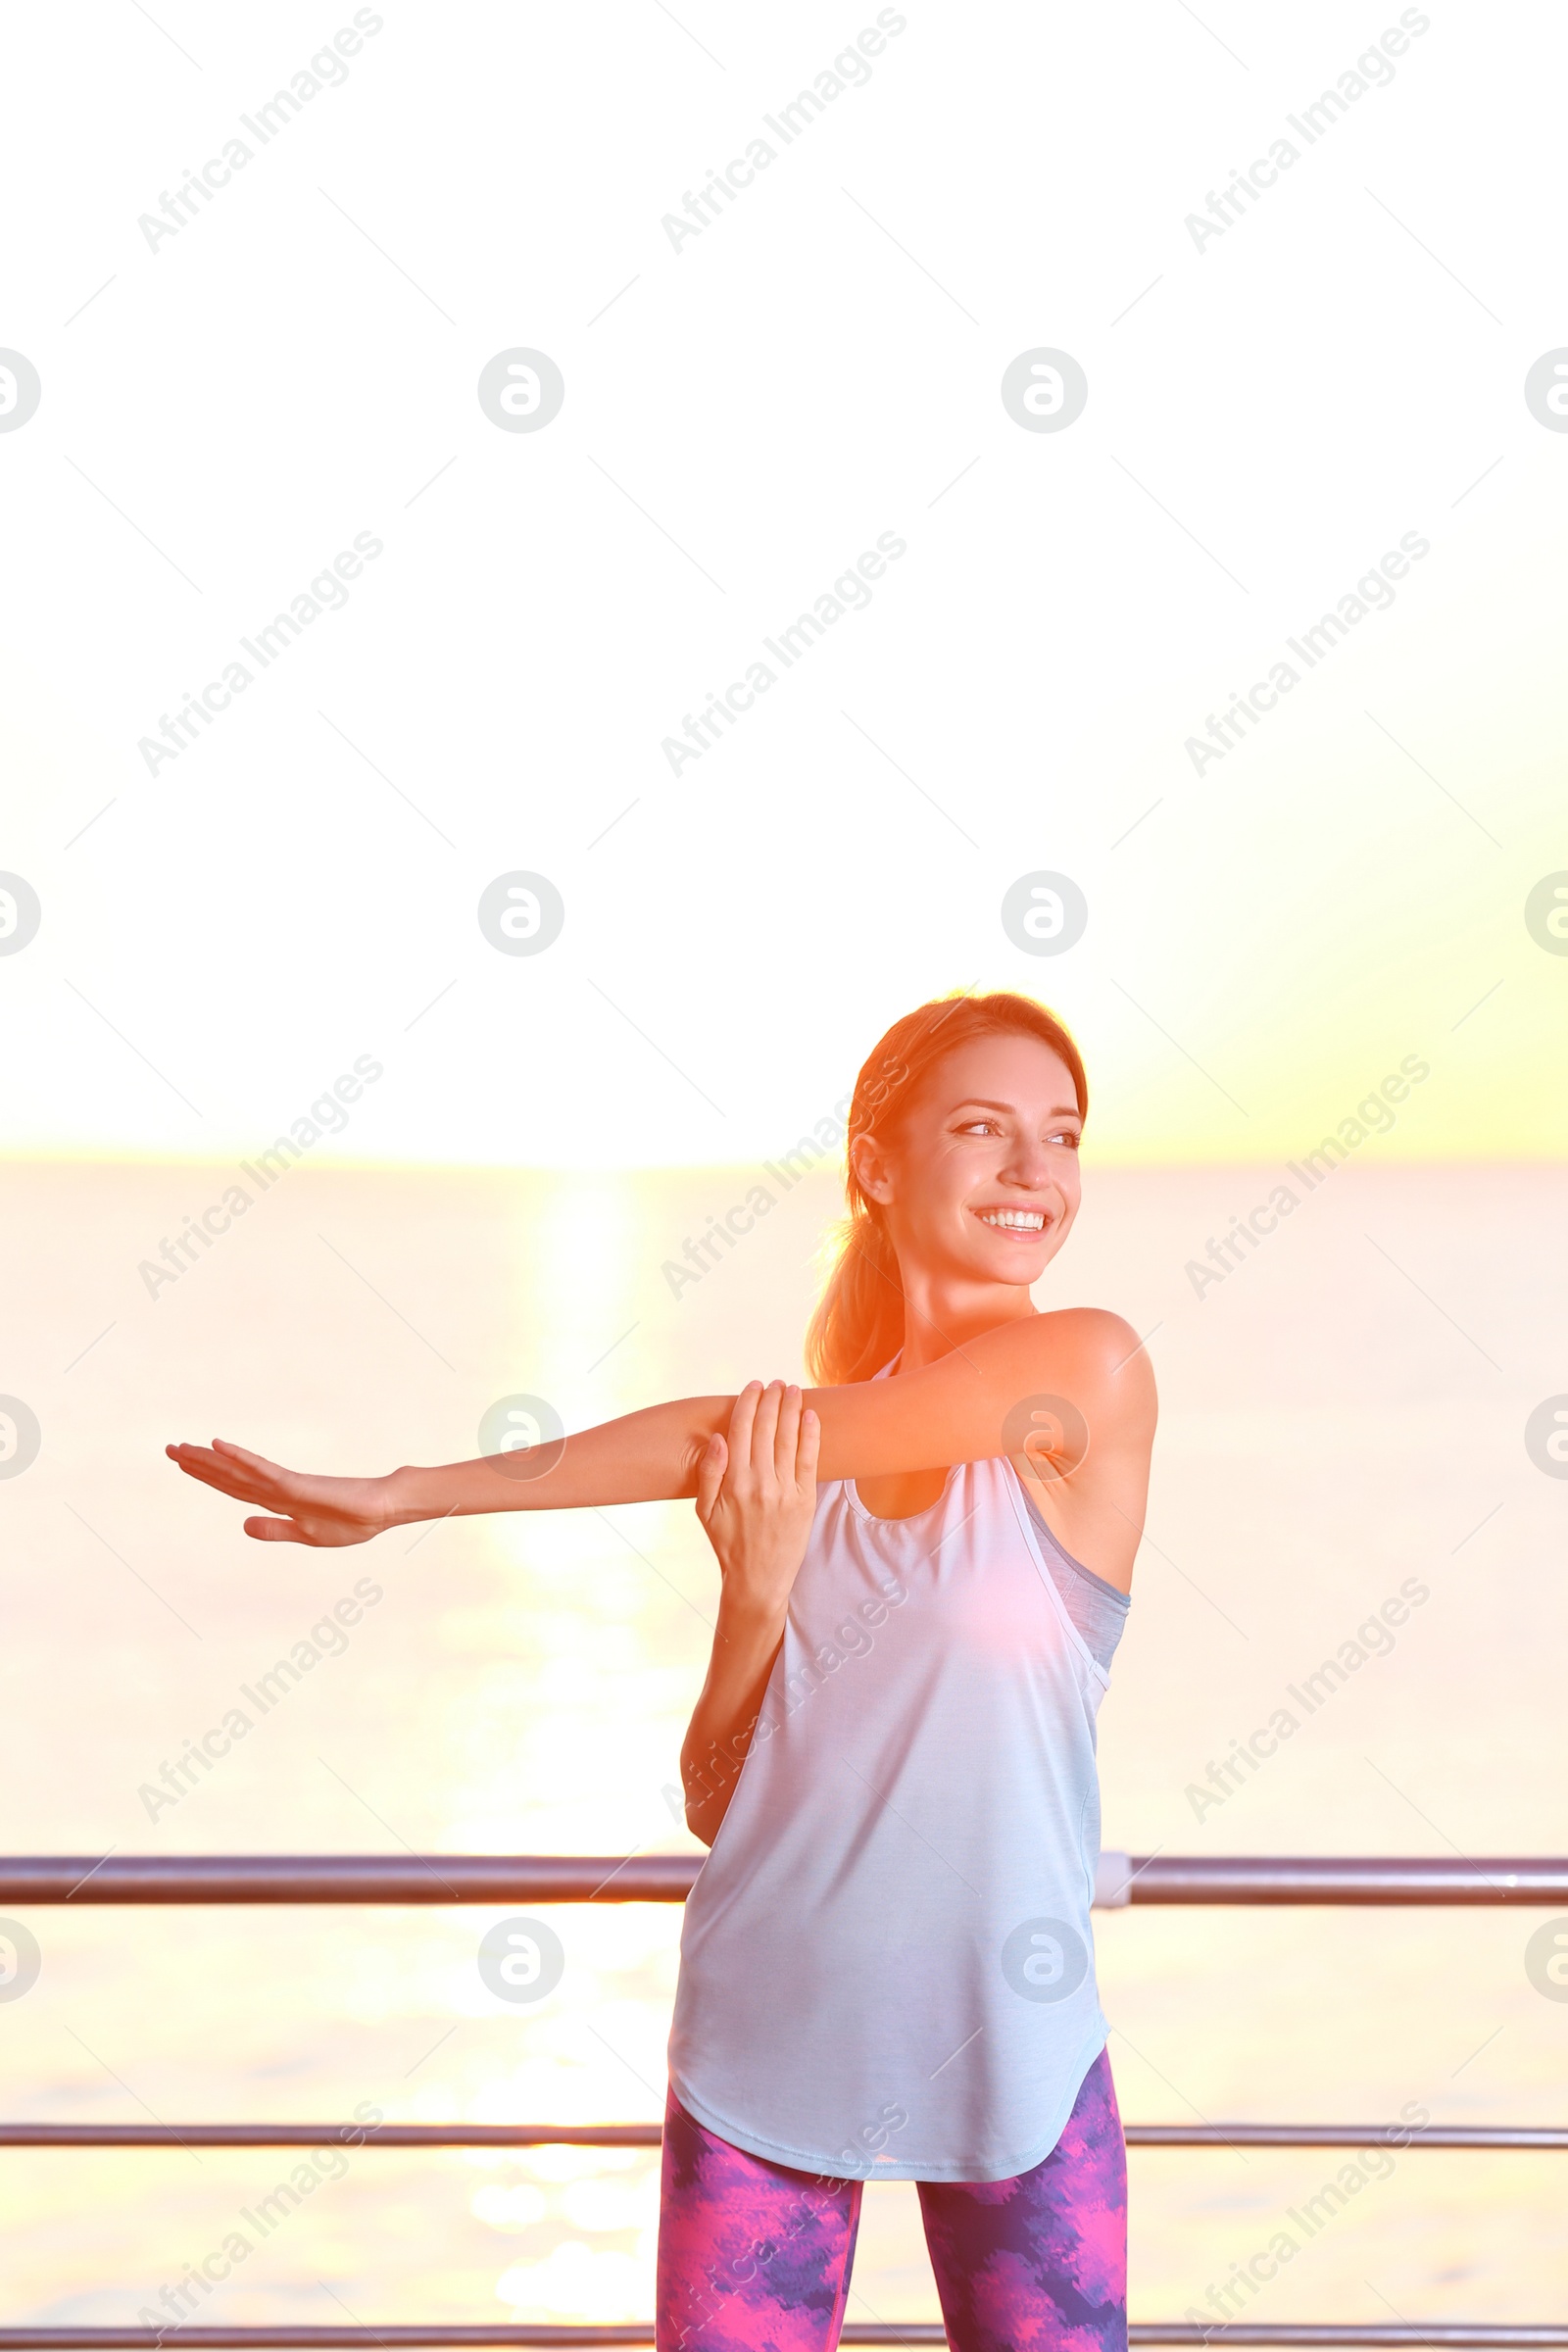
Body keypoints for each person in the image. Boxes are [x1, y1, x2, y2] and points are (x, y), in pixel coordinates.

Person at [169, 990, 1156, 2352]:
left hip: (1016, 2052)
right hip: (764, 2036)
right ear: (876, 1160)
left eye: (1063, 1136)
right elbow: (717, 1800)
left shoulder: (1087, 1371)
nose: (1035, 1172)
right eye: (984, 1129)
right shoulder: (792, 1472)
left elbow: (718, 1432)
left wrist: (407, 1493)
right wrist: (753, 1596)